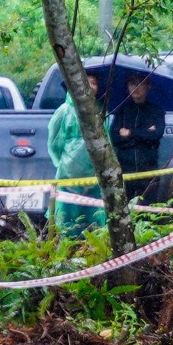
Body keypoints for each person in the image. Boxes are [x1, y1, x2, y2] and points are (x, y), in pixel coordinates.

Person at [46, 68, 107, 235]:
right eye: (86, 83)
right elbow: (54, 145)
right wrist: (65, 165)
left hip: (93, 177)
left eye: (94, 83)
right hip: (68, 177)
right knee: (67, 220)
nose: (91, 87)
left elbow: (106, 143)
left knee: (95, 219)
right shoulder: (64, 111)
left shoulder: (100, 112)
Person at [111, 70, 165, 181]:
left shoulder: (156, 111)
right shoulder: (122, 111)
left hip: (149, 171)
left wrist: (130, 133)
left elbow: (156, 135)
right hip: (126, 171)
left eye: (140, 83)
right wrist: (145, 133)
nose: (136, 87)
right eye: (132, 83)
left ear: (148, 86)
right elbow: (115, 138)